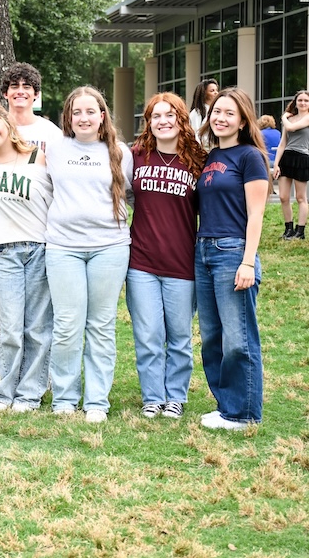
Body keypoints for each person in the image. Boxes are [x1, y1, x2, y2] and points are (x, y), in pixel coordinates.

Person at [45, 86, 132, 423]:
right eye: (77, 112)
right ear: (68, 117)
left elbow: (132, 196)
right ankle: (65, 397)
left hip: (109, 248)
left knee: (101, 325)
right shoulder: (53, 148)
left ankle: (97, 401)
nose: (83, 118)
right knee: (67, 325)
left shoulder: (120, 152)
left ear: (102, 115)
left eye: (90, 111)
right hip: (63, 247)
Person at [126, 93, 206, 420]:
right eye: (155, 116)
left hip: (181, 263)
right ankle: (152, 396)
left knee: (179, 337)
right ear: (149, 123)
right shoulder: (136, 156)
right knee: (148, 336)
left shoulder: (198, 160)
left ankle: (175, 396)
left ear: (181, 119)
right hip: (141, 262)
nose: (162, 121)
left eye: (169, 115)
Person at [0, 102, 53, 412]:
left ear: (7, 123)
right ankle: (4, 391)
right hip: (2, 251)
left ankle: (30, 393)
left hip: (38, 249)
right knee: (8, 327)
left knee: (36, 326)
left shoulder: (38, 157)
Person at [195, 88, 268, 430]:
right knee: (212, 337)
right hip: (204, 251)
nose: (221, 118)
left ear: (242, 120)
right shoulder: (209, 157)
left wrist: (248, 262)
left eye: (229, 113)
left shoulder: (250, 157)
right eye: (216, 112)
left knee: (238, 338)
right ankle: (227, 407)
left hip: (233, 252)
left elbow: (256, 214)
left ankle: (244, 414)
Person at [0, 62, 63, 152]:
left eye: (26, 87)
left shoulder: (52, 133)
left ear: (36, 94)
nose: (20, 91)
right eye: (14, 86)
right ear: (5, 93)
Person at [271, 90, 309, 240]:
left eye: (306, 101)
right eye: (300, 100)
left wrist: (283, 117)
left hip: (302, 158)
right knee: (283, 197)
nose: (303, 103)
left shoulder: (304, 118)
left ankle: (300, 232)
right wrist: (277, 164)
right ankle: (289, 229)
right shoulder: (289, 119)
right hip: (286, 157)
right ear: (296, 102)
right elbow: (282, 144)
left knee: (301, 197)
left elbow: (292, 128)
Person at [188, 78, 219, 145]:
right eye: (212, 91)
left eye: (216, 90)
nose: (216, 93)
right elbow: (195, 133)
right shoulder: (197, 112)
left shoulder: (217, 110)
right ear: (204, 93)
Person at [258, 115, 281, 197]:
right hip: (277, 161)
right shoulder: (278, 133)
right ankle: (271, 189)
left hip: (266, 160)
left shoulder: (260, 134)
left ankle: (269, 190)